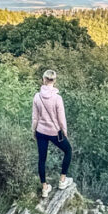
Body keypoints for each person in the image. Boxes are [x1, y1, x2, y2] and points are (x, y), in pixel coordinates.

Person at [32, 69, 73, 199]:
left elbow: (35, 117)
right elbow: (62, 118)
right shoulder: (57, 98)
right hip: (54, 132)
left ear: (43, 80)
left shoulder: (37, 97)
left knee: (42, 159)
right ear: (54, 81)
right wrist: (64, 132)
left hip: (40, 131)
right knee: (68, 150)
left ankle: (44, 187)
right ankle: (62, 180)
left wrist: (34, 131)